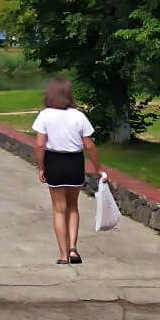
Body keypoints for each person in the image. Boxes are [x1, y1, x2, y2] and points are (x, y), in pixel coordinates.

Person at [32, 77, 103, 265]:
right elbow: (89, 145)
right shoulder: (79, 116)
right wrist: (98, 168)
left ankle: (63, 255)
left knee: (58, 209)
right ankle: (73, 249)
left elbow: (39, 145)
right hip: (75, 162)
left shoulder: (45, 115)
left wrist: (41, 167)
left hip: (54, 161)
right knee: (73, 207)